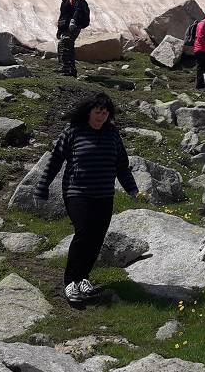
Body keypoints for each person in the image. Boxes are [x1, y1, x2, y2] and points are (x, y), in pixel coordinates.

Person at [32, 92, 139, 305]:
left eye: (105, 112)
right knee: (84, 232)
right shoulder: (73, 132)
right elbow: (55, 162)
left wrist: (131, 188)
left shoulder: (112, 135)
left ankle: (83, 278)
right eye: (98, 112)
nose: (101, 116)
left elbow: (121, 165)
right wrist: (42, 187)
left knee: (97, 236)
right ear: (89, 112)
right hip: (77, 192)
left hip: (104, 194)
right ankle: (70, 281)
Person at [52, 0, 91, 78]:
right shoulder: (65, 1)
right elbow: (63, 17)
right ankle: (69, 69)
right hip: (66, 27)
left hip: (74, 26)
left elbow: (79, 9)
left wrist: (73, 20)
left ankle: (66, 67)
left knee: (65, 42)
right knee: (65, 45)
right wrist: (59, 31)